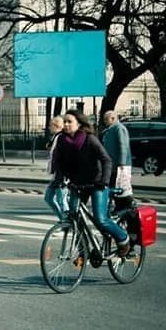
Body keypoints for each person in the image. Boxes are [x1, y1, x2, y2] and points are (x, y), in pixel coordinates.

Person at [53, 109, 132, 256]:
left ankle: (123, 239)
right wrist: (58, 181)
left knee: (100, 219)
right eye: (64, 121)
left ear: (79, 123)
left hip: (97, 183)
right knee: (74, 219)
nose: (66, 124)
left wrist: (104, 181)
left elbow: (106, 160)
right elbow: (60, 164)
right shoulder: (63, 141)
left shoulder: (89, 139)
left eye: (69, 121)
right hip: (78, 184)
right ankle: (83, 252)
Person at [100, 110, 133, 211]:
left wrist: (122, 162)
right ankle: (119, 206)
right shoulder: (110, 129)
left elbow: (123, 145)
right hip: (113, 164)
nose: (105, 121)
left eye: (107, 119)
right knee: (114, 187)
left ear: (113, 118)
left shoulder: (119, 128)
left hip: (120, 165)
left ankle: (126, 206)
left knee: (120, 187)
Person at [43, 115, 68, 221]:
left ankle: (68, 223)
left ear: (56, 125)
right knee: (48, 198)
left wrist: (64, 175)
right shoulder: (56, 137)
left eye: (50, 125)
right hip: (56, 174)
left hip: (62, 174)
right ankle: (63, 220)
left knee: (62, 200)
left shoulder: (62, 137)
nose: (49, 128)